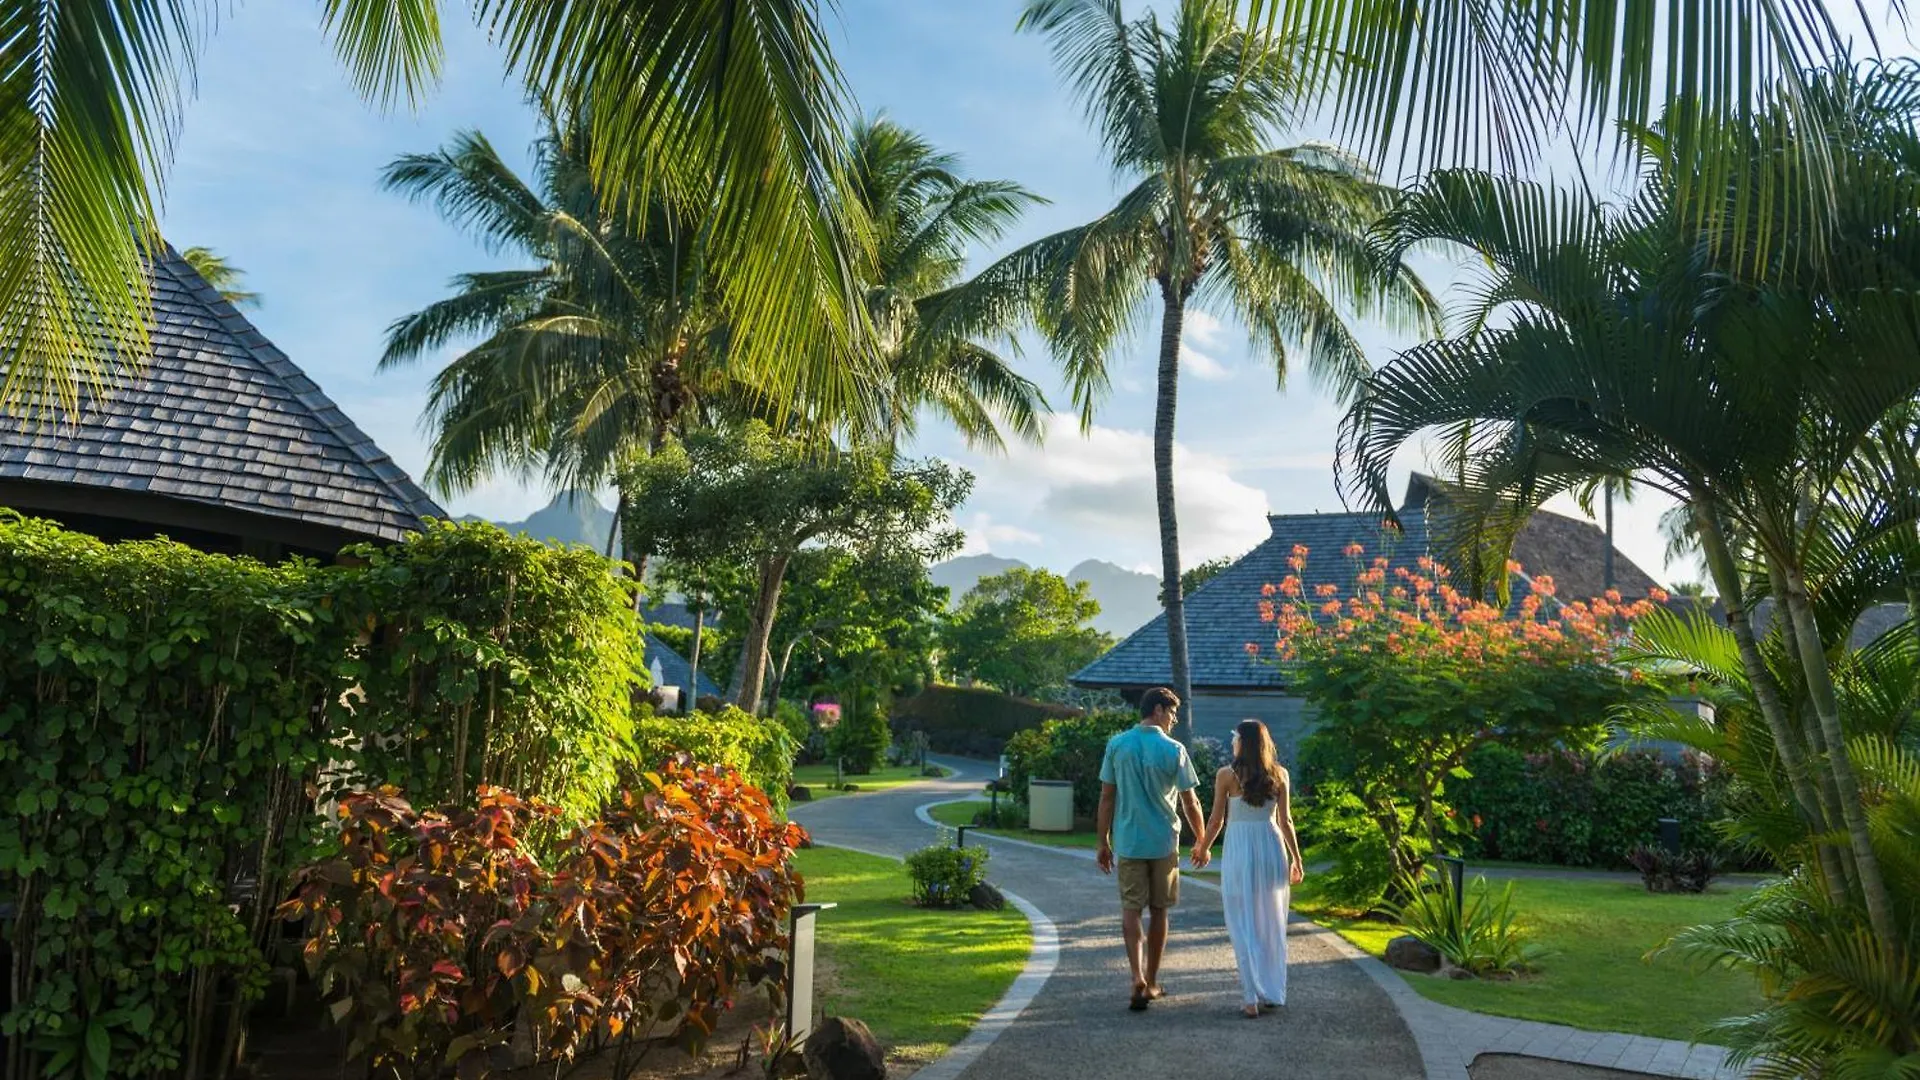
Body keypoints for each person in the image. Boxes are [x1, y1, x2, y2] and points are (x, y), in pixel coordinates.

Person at [1096, 686, 1209, 1012]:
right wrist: (1201, 840)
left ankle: (1135, 977)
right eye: (1172, 713)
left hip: (1129, 841)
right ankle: (1152, 979)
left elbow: (1107, 797)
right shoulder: (1174, 749)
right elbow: (1191, 801)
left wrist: (1102, 841)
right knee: (1159, 909)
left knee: (1131, 908)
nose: (1174, 720)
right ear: (1158, 710)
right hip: (1163, 843)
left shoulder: (1117, 745)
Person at [1196, 719, 1305, 1018]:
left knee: (1242, 920)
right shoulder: (1279, 774)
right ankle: (1270, 991)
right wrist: (1297, 859)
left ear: (1241, 742)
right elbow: (1286, 822)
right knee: (1270, 922)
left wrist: (1204, 847)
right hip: (1271, 848)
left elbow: (1216, 820)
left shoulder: (1226, 776)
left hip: (1240, 850)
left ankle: (1249, 998)